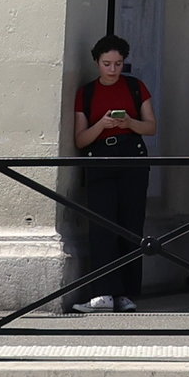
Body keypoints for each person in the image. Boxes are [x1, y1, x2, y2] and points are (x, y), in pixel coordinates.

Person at [67, 34, 153, 311]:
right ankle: (103, 291)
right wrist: (102, 125)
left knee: (131, 224)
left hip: (132, 158)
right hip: (100, 158)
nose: (113, 69)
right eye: (107, 63)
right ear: (96, 63)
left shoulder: (136, 87)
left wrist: (129, 122)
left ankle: (127, 293)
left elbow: (151, 126)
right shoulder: (87, 92)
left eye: (118, 63)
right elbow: (80, 139)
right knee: (101, 225)